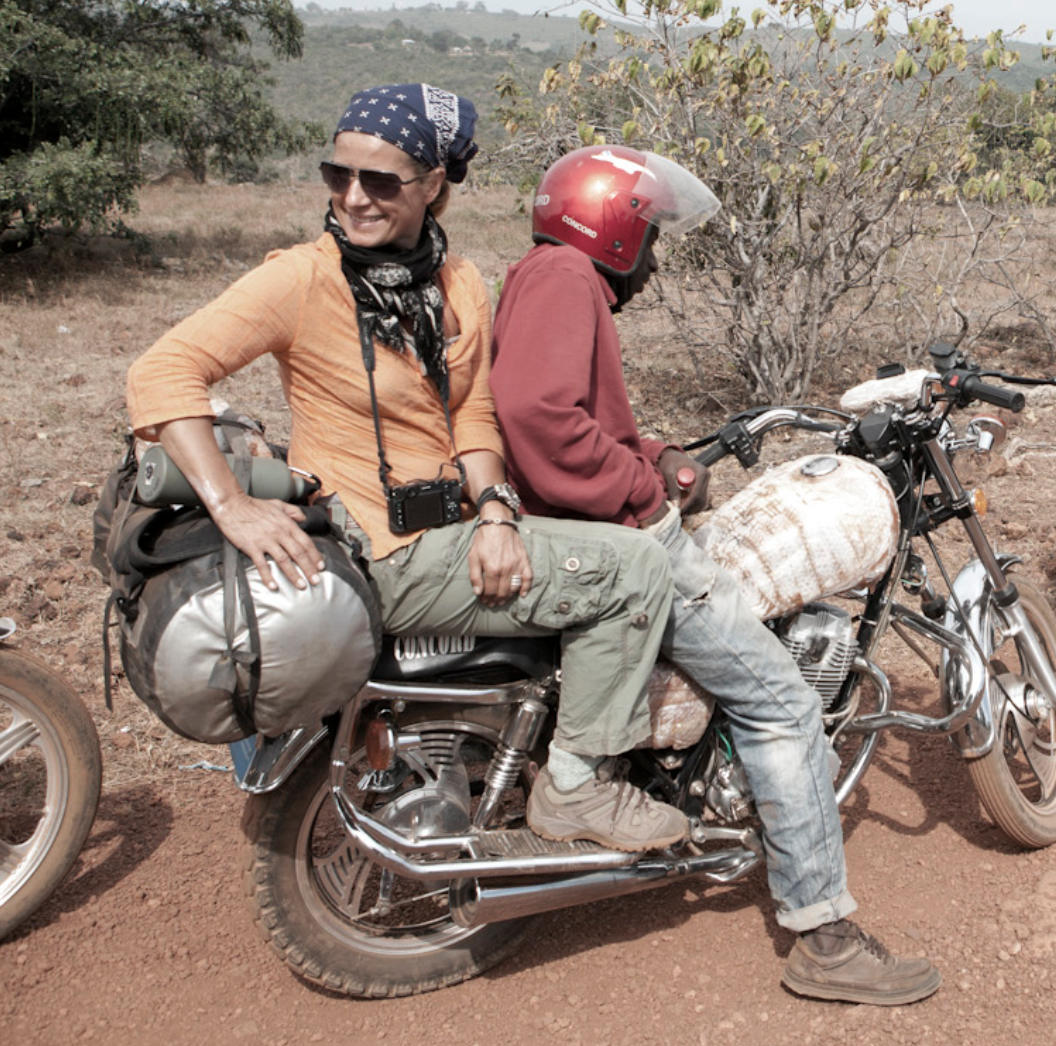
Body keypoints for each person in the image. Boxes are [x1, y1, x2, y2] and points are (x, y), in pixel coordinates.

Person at [126, 84, 688, 849]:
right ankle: (579, 786)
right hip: (384, 549)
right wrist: (231, 505)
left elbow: (473, 417)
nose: (354, 197)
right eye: (338, 175)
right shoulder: (305, 279)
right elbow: (164, 371)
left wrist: (496, 513)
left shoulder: (459, 285)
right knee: (636, 568)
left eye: (381, 181)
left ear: (434, 186)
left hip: (454, 528)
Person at [488, 144, 941, 1009]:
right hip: (622, 541)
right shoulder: (567, 279)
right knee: (782, 705)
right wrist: (643, 488)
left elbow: (574, 415)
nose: (654, 258)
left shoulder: (539, 275)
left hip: (577, 530)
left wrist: (657, 453)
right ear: (612, 226)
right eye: (650, 235)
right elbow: (539, 417)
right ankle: (824, 936)